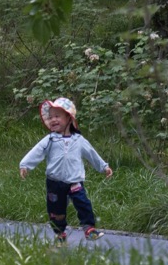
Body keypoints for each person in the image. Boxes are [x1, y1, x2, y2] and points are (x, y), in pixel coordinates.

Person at [19, 97, 111, 242]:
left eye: (57, 116)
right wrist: (25, 165)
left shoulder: (79, 140)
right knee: (56, 211)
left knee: (83, 203)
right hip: (55, 182)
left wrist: (103, 166)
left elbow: (92, 154)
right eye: (50, 118)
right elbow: (36, 152)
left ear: (69, 118)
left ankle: (89, 229)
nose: (53, 120)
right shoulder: (50, 139)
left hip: (75, 180)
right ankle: (59, 233)